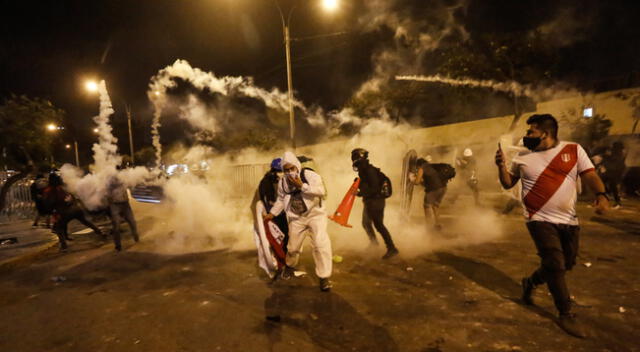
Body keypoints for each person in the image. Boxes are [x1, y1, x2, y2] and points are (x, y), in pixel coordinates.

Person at [495, 113, 609, 338]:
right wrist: (501, 166)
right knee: (555, 263)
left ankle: (530, 282)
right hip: (537, 218)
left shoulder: (573, 150)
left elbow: (590, 175)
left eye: (531, 132)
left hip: (568, 220)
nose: (526, 136)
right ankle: (565, 313)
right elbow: (508, 183)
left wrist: (602, 194)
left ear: (545, 133)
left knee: (566, 263)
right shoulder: (523, 157)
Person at [264, 151, 333, 292]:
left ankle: (324, 277)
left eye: (292, 168)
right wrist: (272, 213)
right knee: (293, 248)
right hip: (297, 218)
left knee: (320, 245)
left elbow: (321, 191)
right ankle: (289, 266)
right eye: (286, 170)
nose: (290, 172)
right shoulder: (283, 182)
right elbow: (281, 199)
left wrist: (302, 186)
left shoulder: (309, 175)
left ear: (297, 166)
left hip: (315, 216)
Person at [351, 148, 398, 259]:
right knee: (366, 223)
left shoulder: (369, 170)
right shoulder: (364, 170)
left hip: (376, 201)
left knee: (379, 225)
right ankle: (374, 243)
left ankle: (392, 248)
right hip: (370, 201)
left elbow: (375, 188)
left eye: (354, 157)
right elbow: (368, 185)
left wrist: (359, 193)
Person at [43, 173, 103, 251]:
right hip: (74, 209)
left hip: (64, 211)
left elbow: (50, 203)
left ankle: (63, 245)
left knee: (58, 228)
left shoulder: (51, 190)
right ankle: (99, 232)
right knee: (85, 221)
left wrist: (52, 210)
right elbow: (71, 197)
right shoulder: (63, 188)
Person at [413, 157, 447, 231]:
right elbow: (428, 181)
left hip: (434, 189)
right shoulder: (431, 167)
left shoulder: (421, 168)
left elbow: (417, 182)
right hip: (443, 188)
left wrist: (412, 179)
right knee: (435, 206)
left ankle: (428, 227)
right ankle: (438, 224)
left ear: (418, 165)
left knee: (427, 206)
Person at [107, 174, 139, 251]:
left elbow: (130, 186)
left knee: (132, 222)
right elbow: (106, 194)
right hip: (114, 205)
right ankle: (118, 246)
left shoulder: (123, 179)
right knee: (116, 226)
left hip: (125, 204)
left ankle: (136, 238)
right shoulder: (108, 182)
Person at [599, 141, 626, 208]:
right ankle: (611, 197)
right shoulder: (617, 153)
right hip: (612, 171)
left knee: (613, 186)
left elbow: (615, 162)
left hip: (615, 172)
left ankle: (617, 201)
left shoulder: (618, 154)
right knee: (604, 183)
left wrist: (606, 157)